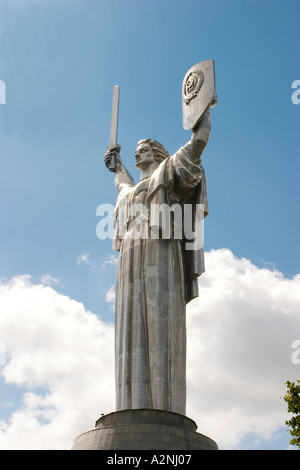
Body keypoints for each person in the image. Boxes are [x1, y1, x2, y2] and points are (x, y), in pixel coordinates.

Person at [104, 109, 211, 415]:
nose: (139, 151)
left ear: (159, 154)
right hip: (130, 256)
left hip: (162, 248)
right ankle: (130, 408)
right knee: (131, 321)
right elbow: (121, 183)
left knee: (161, 318)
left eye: (145, 149)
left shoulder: (170, 172)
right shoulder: (130, 192)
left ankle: (166, 410)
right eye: (137, 150)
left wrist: (201, 108)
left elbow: (199, 142)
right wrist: (117, 166)